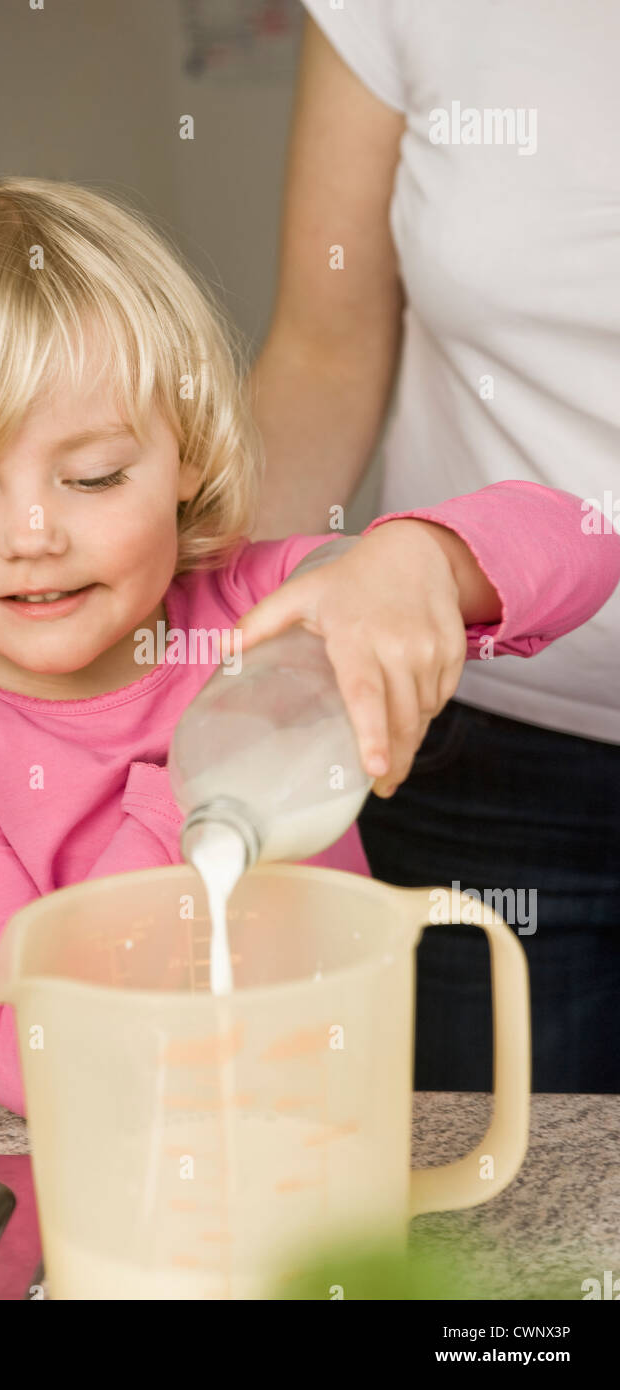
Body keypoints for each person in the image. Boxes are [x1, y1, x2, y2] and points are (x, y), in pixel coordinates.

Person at [0, 177, 619, 1115]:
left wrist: (414, 560)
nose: (33, 534)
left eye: (93, 477)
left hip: (331, 1153)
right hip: (117, 1206)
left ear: (190, 455)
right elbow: (23, 1052)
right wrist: (215, 782)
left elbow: (587, 536)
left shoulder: (275, 612)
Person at [248, 3, 620, 1092]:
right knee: (482, 1235)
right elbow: (322, 354)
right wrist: (182, 622)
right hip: (475, 760)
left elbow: (580, 541)